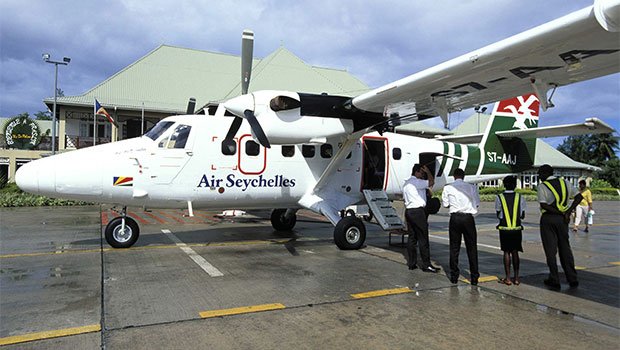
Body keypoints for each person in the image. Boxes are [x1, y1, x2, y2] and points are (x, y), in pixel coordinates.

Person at [537, 164, 583, 289]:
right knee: (565, 249)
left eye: (540, 173)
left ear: (545, 173)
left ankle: (554, 278)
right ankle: (572, 278)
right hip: (563, 220)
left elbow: (544, 205)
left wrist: (560, 212)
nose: (539, 176)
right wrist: (568, 212)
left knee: (550, 251)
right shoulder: (565, 183)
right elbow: (579, 197)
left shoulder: (542, 186)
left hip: (549, 219)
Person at [441, 168, 480, 285]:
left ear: (454, 176)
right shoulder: (472, 187)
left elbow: (446, 204)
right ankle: (474, 277)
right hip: (468, 218)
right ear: (463, 176)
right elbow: (477, 203)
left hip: (455, 218)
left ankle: (454, 276)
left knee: (454, 247)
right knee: (472, 247)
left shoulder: (448, 188)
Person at [403, 163, 440, 273]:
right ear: (417, 172)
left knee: (412, 238)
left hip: (409, 211)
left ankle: (412, 263)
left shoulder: (406, 183)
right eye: (421, 172)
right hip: (418, 212)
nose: (423, 174)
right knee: (423, 238)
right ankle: (426, 265)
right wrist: (428, 171)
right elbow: (431, 182)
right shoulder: (417, 182)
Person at [495, 175, 526, 285]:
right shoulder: (520, 197)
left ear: (504, 185)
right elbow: (522, 215)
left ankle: (508, 278)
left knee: (506, 252)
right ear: (514, 185)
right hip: (517, 229)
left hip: (504, 229)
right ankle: (516, 278)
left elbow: (499, 213)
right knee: (515, 252)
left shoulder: (499, 197)